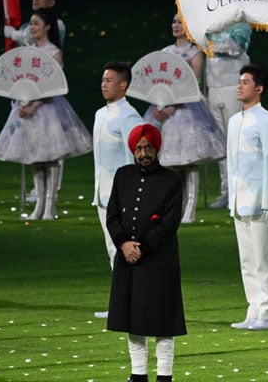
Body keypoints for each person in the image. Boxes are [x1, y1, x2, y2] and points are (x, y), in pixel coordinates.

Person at [0, 8, 91, 220]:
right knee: (36, 157)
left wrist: (34, 104)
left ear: (47, 27)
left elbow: (52, 85)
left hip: (48, 109)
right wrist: (21, 102)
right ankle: (39, 207)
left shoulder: (54, 52)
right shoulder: (27, 52)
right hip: (27, 109)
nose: (32, 28)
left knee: (51, 157)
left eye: (36, 24)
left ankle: (50, 207)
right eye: (31, 24)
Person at [106, 124, 186, 382]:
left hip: (159, 260)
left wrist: (141, 247)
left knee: (163, 321)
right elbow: (113, 215)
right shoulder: (122, 175)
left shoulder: (172, 179)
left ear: (156, 148)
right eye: (139, 148)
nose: (144, 153)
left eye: (148, 147)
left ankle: (164, 376)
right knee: (133, 319)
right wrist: (123, 244)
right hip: (127, 259)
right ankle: (138, 374)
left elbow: (170, 222)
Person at [143, 14, 226, 224]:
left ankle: (190, 210)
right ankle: (174, 208)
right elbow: (158, 82)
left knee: (189, 161)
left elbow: (192, 82)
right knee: (170, 163)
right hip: (164, 108)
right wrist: (159, 105)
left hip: (187, 108)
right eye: (174, 22)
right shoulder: (166, 52)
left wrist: (174, 105)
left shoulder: (195, 52)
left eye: (181, 22)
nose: (176, 26)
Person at [228, 64, 268, 331]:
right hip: (240, 200)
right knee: (248, 260)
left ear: (259, 89)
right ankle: (253, 310)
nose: (240, 86)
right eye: (239, 82)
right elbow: (231, 164)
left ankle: (267, 314)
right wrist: (232, 199)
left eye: (246, 82)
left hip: (262, 200)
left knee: (265, 260)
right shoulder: (234, 121)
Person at [92, 61, 144, 318]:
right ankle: (120, 303)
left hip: (120, 195)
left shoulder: (129, 117)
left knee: (126, 249)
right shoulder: (101, 114)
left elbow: (133, 158)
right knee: (113, 250)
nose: (104, 84)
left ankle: (132, 302)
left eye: (109, 79)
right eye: (103, 79)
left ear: (123, 84)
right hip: (103, 193)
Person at [206, 22, 252, 209]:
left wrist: (207, 39)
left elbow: (234, 47)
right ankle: (227, 192)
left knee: (237, 140)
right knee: (220, 143)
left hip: (234, 86)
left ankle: (241, 191)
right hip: (213, 86)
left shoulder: (241, 25)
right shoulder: (208, 25)